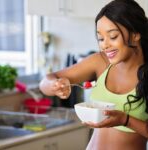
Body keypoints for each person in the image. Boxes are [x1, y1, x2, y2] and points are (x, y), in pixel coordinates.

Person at [39, 0, 148, 149]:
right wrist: (55, 85)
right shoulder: (100, 62)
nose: (105, 45)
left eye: (113, 36)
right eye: (101, 38)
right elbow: (46, 82)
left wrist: (125, 120)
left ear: (135, 34)